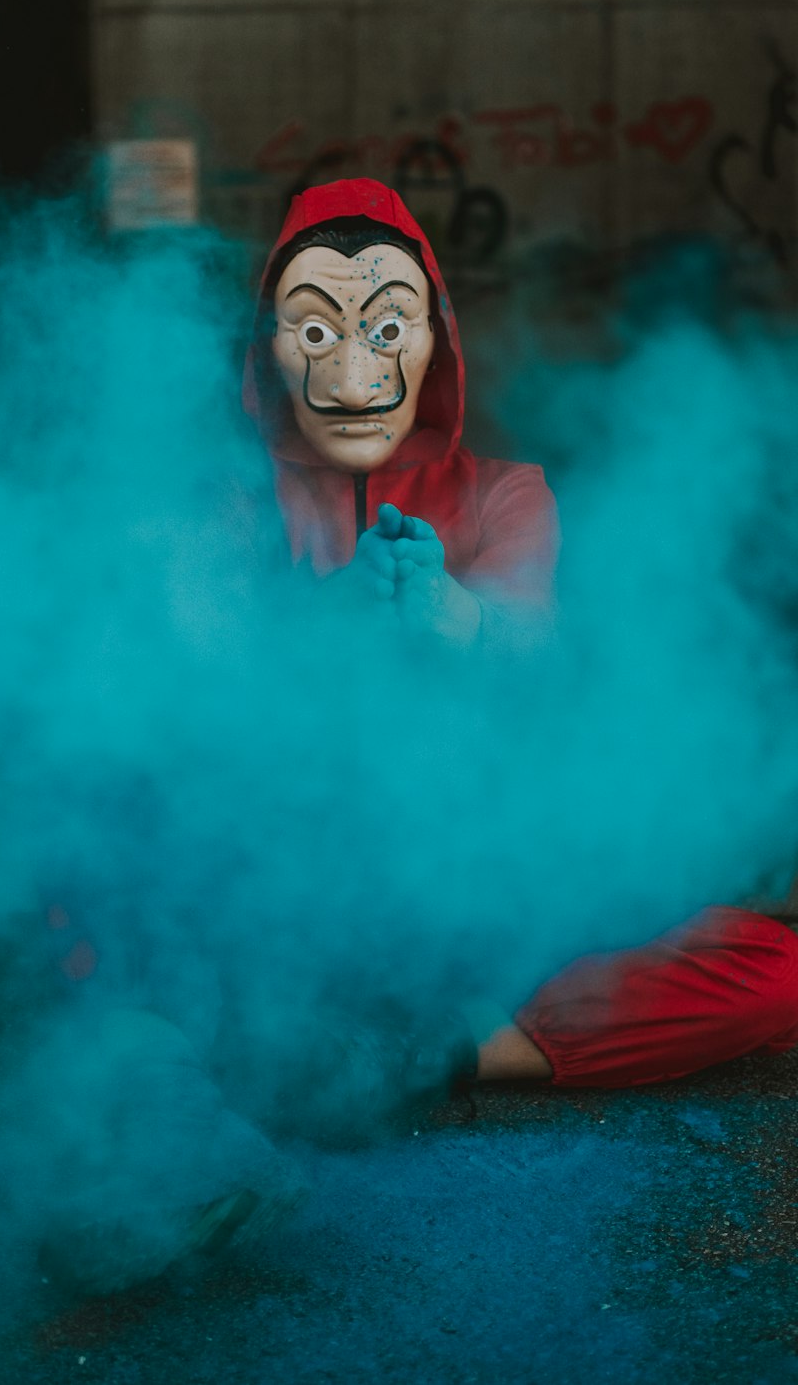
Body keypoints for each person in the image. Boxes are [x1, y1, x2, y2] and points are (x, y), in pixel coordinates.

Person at [244, 175, 798, 1091]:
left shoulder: (509, 491)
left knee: (769, 970)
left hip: (488, 890)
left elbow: (531, 647)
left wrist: (454, 618)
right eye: (314, 330)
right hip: (294, 895)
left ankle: (455, 1049)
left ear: (435, 341)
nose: (352, 375)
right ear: (270, 351)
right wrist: (318, 627)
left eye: (384, 329)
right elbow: (176, 711)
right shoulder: (225, 507)